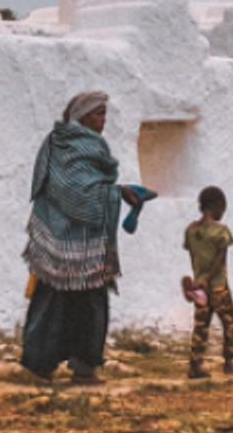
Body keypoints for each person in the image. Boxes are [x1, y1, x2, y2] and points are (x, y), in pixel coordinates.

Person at [20, 91, 148, 385]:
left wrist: (117, 191)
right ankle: (63, 367)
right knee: (80, 304)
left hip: (65, 241)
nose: (104, 120)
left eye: (104, 114)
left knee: (65, 302)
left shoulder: (61, 142)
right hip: (73, 245)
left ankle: (63, 366)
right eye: (99, 114)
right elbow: (75, 196)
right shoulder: (75, 146)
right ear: (83, 116)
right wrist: (114, 194)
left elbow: (78, 188)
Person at [183, 186, 233, 379]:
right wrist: (209, 279)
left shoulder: (191, 231)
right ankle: (229, 362)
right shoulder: (220, 230)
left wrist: (200, 280)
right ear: (217, 206)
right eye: (222, 208)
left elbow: (193, 255)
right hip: (217, 286)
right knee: (229, 322)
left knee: (201, 325)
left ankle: (195, 364)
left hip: (199, 288)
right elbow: (221, 258)